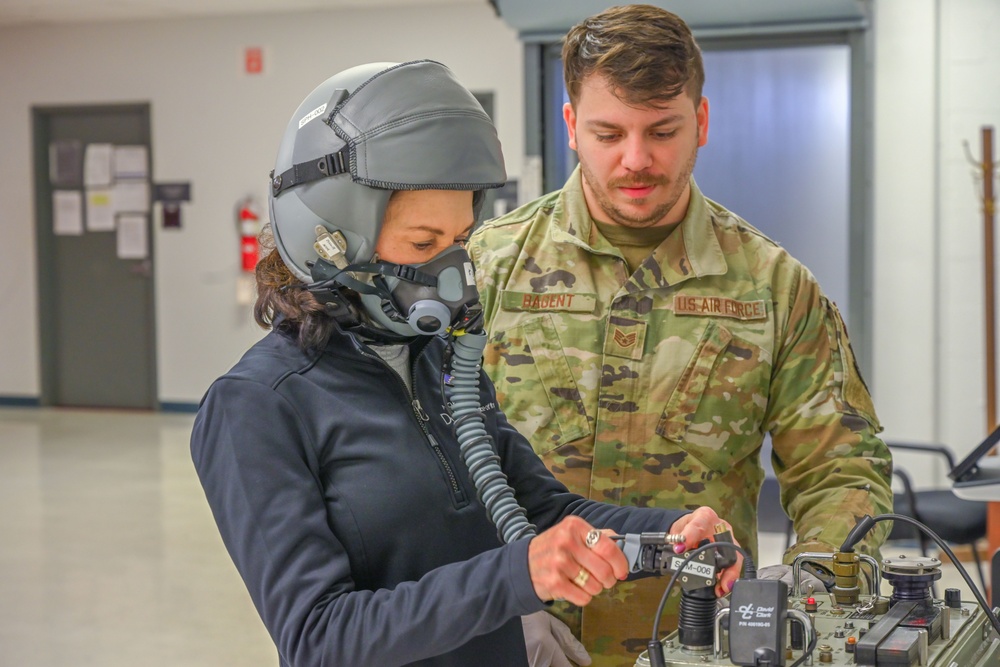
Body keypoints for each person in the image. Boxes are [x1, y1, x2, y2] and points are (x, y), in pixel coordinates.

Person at [190, 59, 742, 667]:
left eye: (458, 241)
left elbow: (545, 510)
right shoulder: (257, 406)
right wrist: (514, 576)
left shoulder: (440, 362)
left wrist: (675, 535)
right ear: (330, 240)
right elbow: (318, 638)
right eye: (424, 244)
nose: (451, 272)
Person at [467, 5, 893, 665]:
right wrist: (490, 607)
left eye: (661, 131)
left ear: (701, 121)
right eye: (609, 133)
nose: (636, 160)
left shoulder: (771, 287)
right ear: (572, 126)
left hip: (696, 644)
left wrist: (811, 589)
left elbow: (840, 467)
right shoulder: (489, 266)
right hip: (516, 642)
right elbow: (428, 455)